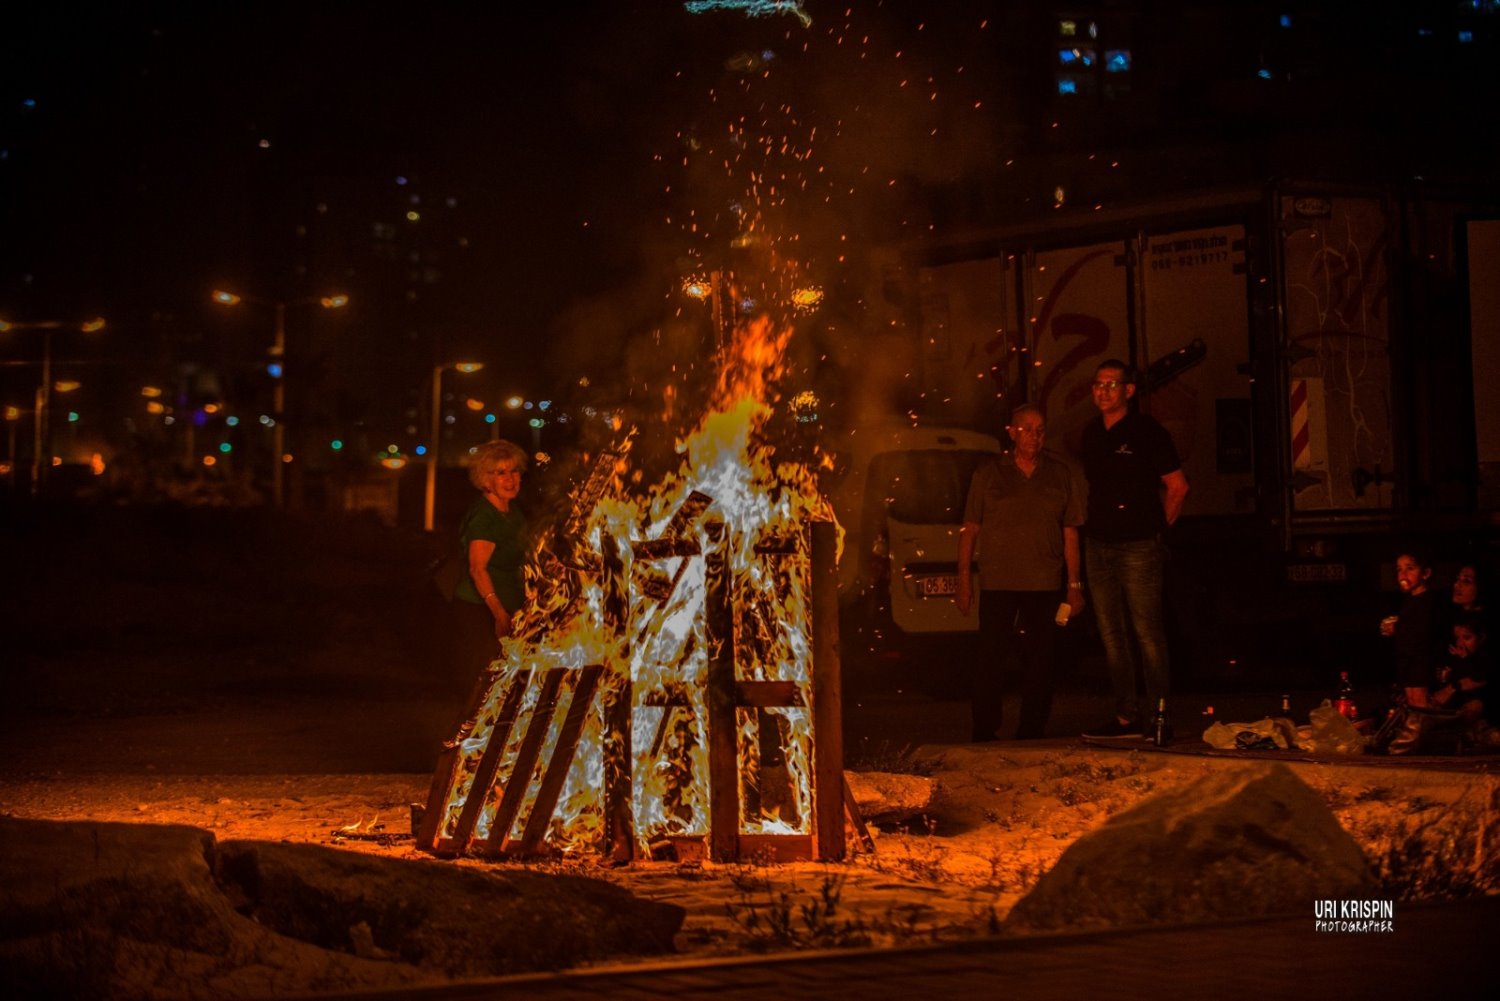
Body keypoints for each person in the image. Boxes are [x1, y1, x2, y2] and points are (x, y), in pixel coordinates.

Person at [956, 405, 1086, 740]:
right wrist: (964, 581)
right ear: (1011, 432)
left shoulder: (1059, 474)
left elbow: (1070, 531)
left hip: (1044, 583)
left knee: (1041, 661)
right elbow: (970, 529)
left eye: (1040, 429)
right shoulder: (989, 473)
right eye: (1026, 429)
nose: (1034, 436)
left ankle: (1032, 728)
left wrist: (1074, 585)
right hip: (999, 582)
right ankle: (985, 728)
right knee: (990, 658)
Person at [1077, 360, 1189, 739]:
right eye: (1098, 384)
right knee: (1112, 635)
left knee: (1147, 632)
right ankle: (1126, 717)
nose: (1103, 391)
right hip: (1098, 545)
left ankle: (1159, 716)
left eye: (1112, 384)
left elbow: (1178, 487)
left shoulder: (1146, 431)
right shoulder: (1091, 434)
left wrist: (1154, 529)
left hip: (1138, 547)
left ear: (1129, 391)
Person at [449, 439, 530, 692]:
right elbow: (477, 568)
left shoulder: (511, 510)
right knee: (484, 682)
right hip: (481, 610)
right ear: (486, 479)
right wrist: (499, 613)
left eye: (514, 471)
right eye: (501, 473)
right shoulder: (485, 517)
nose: (510, 479)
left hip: (508, 607)